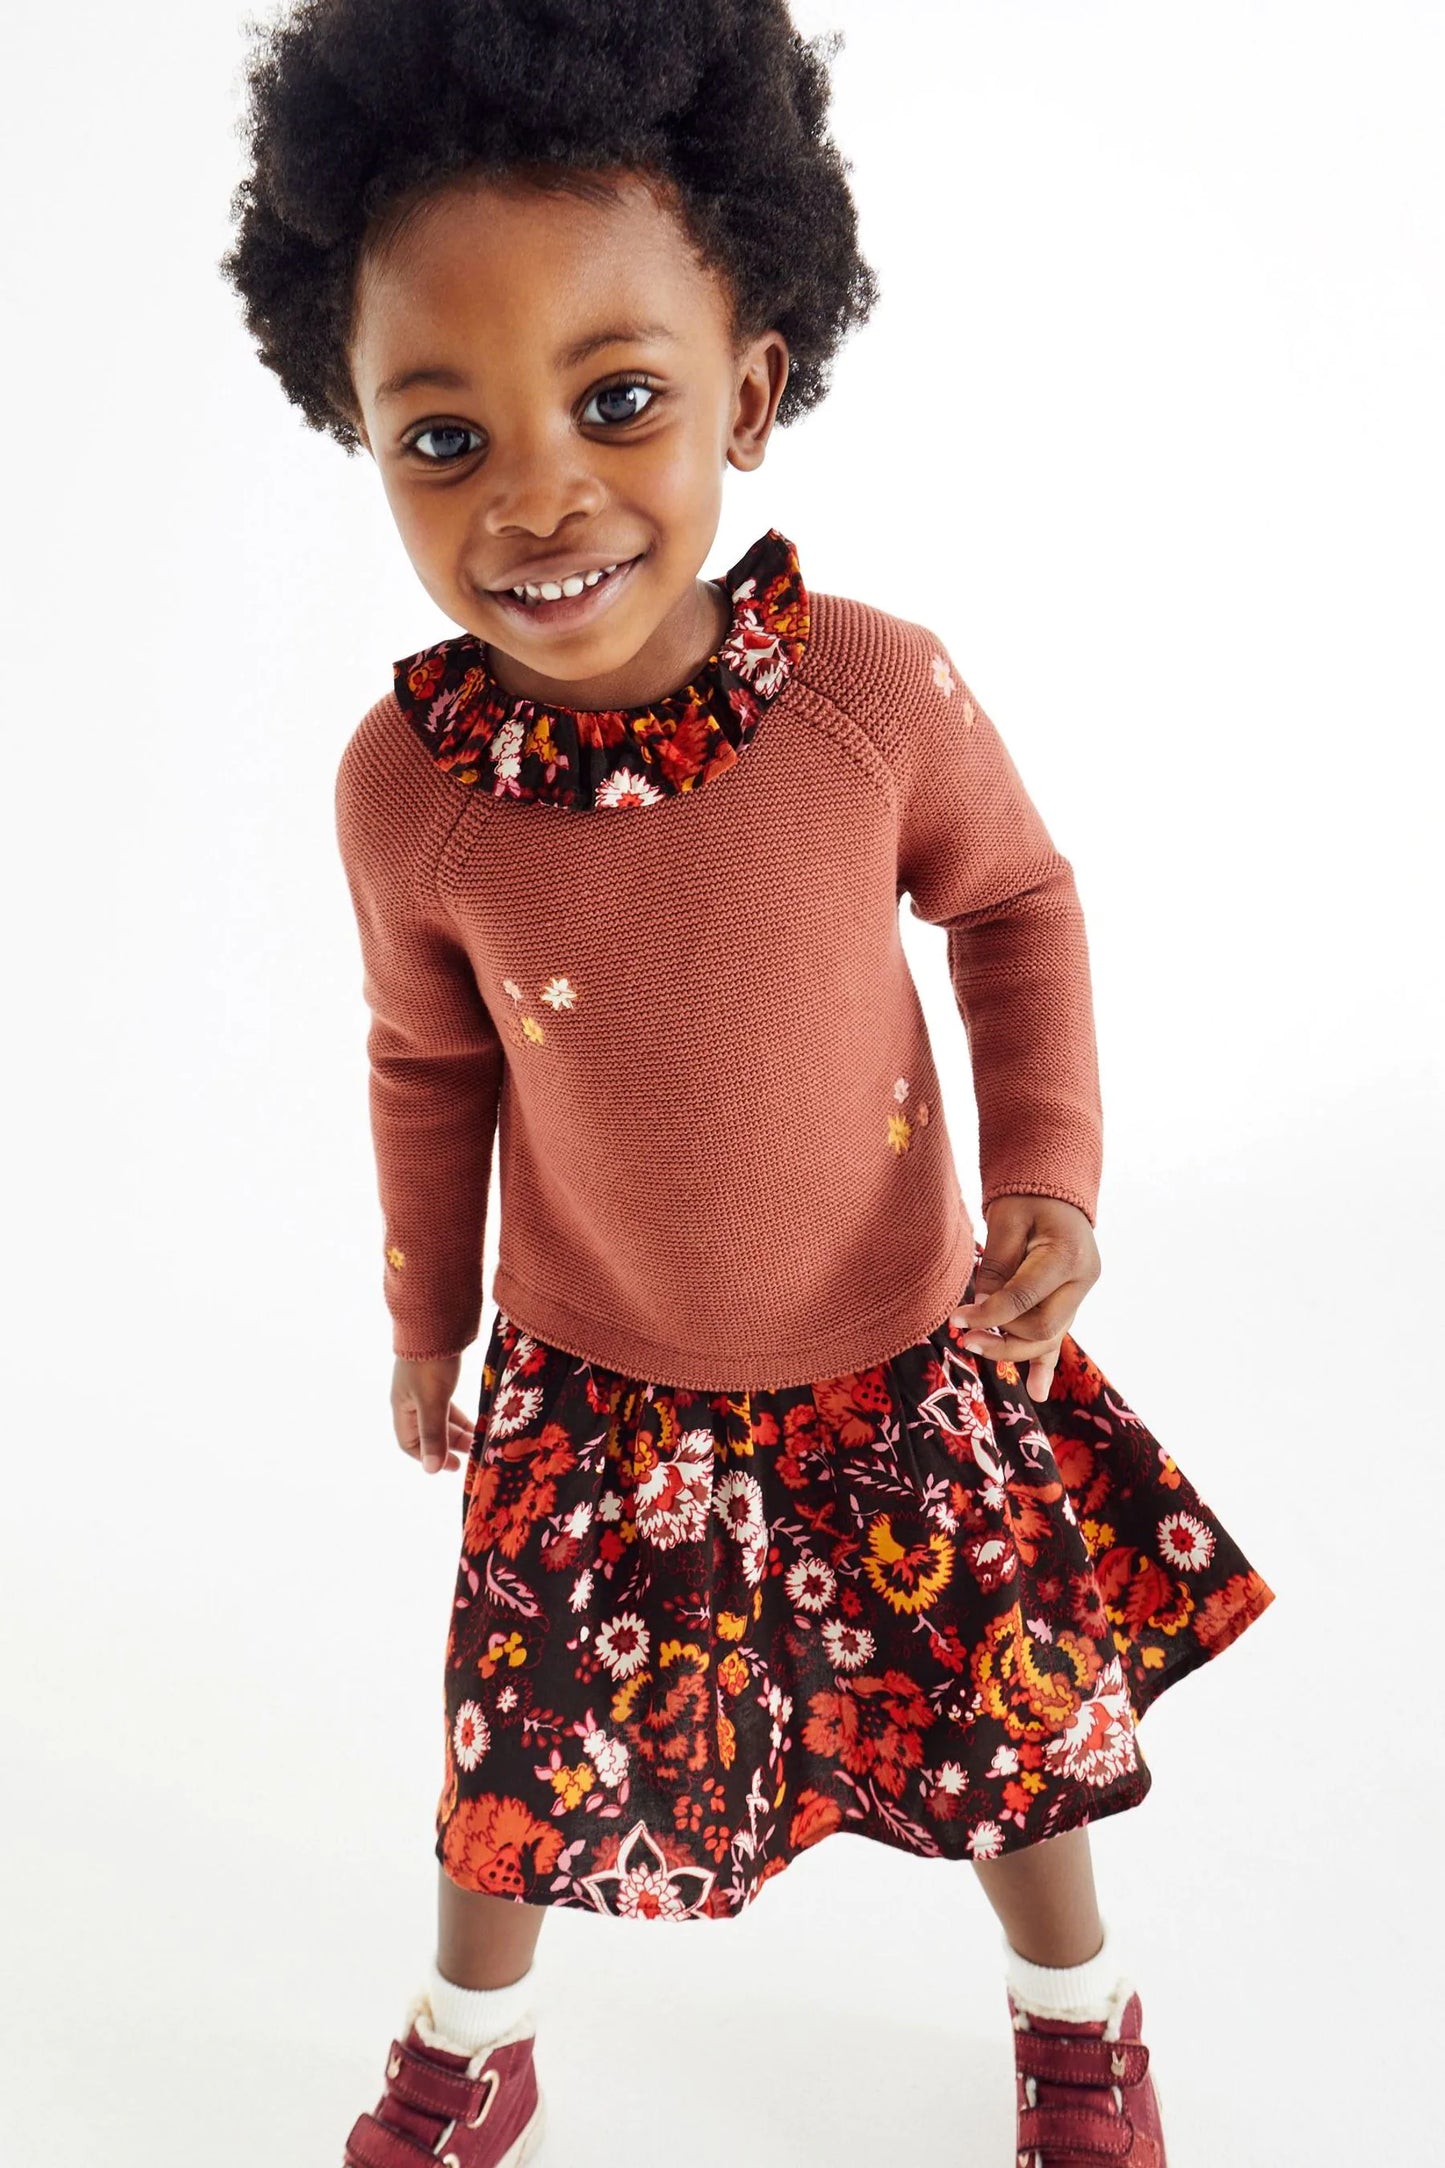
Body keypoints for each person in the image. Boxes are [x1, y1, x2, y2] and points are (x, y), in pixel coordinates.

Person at [219, 4, 1275, 2162]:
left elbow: (1019, 905)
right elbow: (425, 1059)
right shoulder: (408, 791)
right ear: (360, 430)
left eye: (616, 401)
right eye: (442, 436)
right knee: (515, 1756)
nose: (534, 496)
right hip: (593, 1385)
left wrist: (1052, 1175)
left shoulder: (870, 699)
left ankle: (1077, 2017)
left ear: (755, 390)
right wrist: (428, 1314)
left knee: (1011, 1736)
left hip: (901, 1347)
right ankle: (471, 2038)